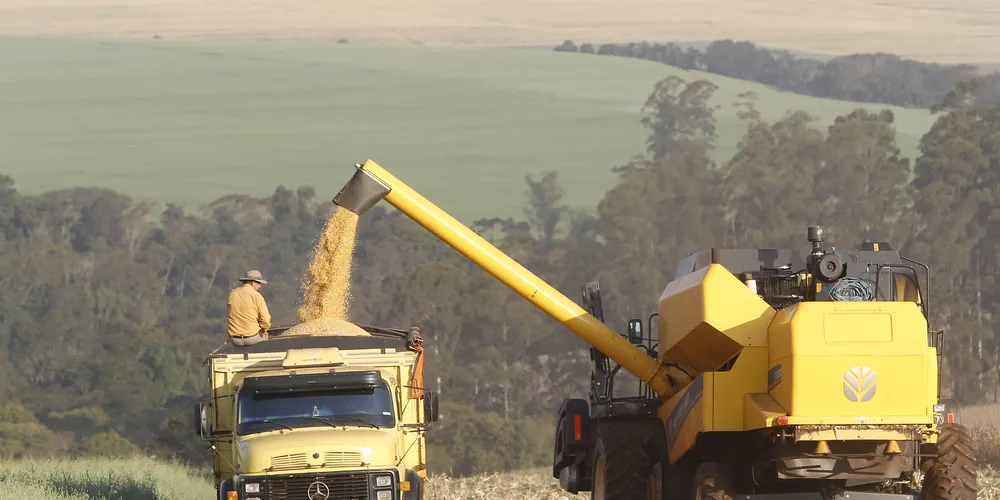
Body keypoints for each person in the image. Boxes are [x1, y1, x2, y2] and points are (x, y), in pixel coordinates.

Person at [227, 270, 272, 346]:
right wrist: (264, 330)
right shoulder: (256, 295)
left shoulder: (233, 294)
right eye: (259, 283)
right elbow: (266, 320)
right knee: (266, 337)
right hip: (252, 338)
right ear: (253, 283)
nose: (260, 286)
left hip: (234, 339)